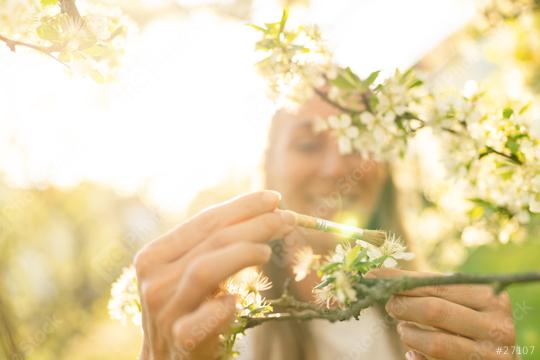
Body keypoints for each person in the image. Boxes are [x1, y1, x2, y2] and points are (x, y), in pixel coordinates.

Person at [133, 93, 516, 360]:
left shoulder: (438, 322)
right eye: (307, 144)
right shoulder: (223, 337)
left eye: (357, 140)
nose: (336, 168)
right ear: (269, 165)